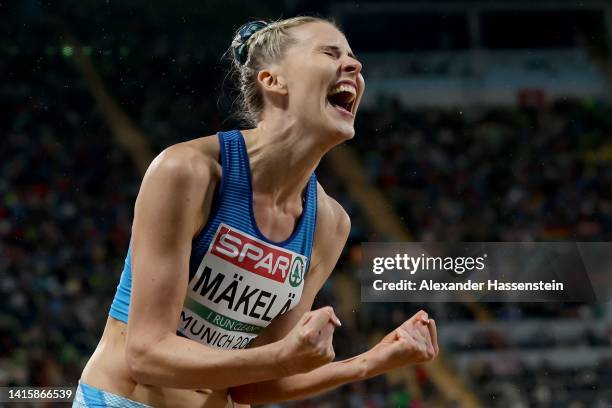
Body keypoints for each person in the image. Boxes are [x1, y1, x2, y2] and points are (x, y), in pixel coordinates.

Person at [74, 16, 439, 408]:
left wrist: (369, 362)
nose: (354, 65)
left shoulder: (329, 225)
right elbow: (145, 355)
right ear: (273, 81)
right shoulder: (188, 172)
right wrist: (281, 358)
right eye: (330, 53)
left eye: (352, 57)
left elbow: (253, 385)